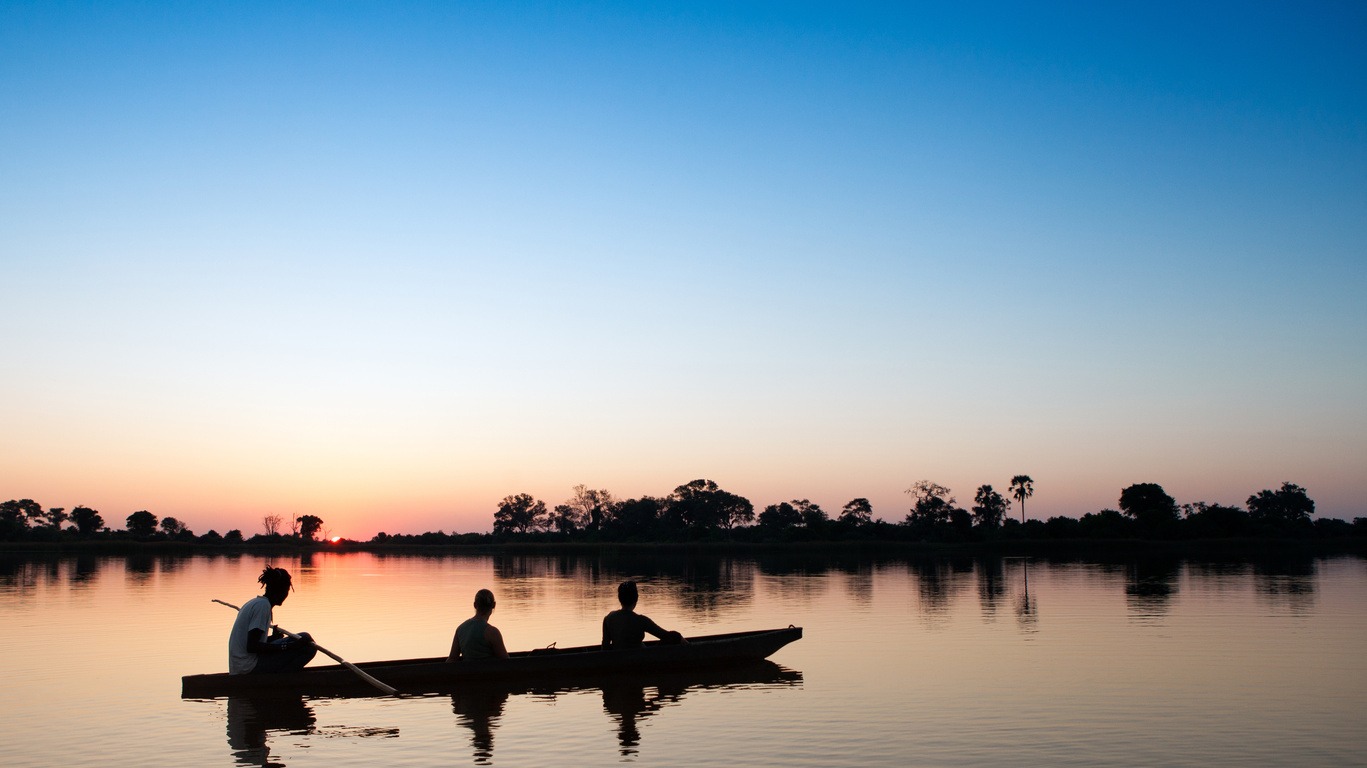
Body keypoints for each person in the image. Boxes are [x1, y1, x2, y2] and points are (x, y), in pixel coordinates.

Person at [228, 566, 317, 675]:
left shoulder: (256, 603)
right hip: (247, 667)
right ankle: (281, 679)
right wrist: (288, 647)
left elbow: (252, 642)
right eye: (287, 590)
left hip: (241, 665)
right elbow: (252, 646)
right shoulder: (263, 607)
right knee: (309, 647)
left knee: (304, 637)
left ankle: (282, 675)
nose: (286, 595)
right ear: (281, 590)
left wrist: (273, 638)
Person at [602, 581, 686, 649]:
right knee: (674, 636)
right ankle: (691, 648)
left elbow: (605, 648)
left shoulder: (608, 618)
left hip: (618, 661)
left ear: (619, 599)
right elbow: (666, 636)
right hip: (640, 659)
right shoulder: (641, 620)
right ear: (636, 599)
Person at [448, 588, 509, 661]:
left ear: (475, 605)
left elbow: (452, 659)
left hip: (467, 671)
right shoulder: (493, 632)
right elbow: (506, 662)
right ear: (493, 605)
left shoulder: (461, 629)